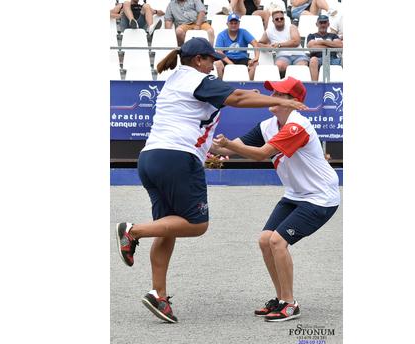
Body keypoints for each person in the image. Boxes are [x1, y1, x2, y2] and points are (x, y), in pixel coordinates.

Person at [115, 38, 308, 324]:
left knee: (167, 226)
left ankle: (159, 295)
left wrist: (253, 94)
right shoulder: (198, 79)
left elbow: (233, 96)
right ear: (198, 60)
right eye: (211, 59)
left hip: (151, 157)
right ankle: (133, 231)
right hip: (177, 158)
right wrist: (281, 100)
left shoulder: (178, 78)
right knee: (196, 224)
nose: (215, 63)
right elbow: (239, 99)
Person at [211, 76, 340, 322]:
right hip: (296, 194)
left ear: (293, 102)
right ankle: (281, 299)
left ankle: (290, 304)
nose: (273, 97)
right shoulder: (269, 125)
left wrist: (228, 145)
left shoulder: (296, 126)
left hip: (320, 197)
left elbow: (261, 155)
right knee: (264, 240)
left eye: (279, 94)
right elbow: (226, 149)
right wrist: (210, 139)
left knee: (278, 242)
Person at [257, 10, 310, 79]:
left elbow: (296, 42)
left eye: (281, 18)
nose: (279, 20)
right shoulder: (269, 31)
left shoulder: (292, 27)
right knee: (279, 66)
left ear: (284, 19)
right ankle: (283, 84)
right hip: (282, 57)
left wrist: (279, 45)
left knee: (301, 66)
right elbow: (259, 43)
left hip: (299, 55)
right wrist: (268, 46)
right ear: (273, 21)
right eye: (277, 19)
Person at [214, 13, 260, 81]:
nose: (233, 25)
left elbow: (255, 43)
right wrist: (230, 63)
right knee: (217, 63)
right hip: (227, 59)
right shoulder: (221, 35)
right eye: (231, 23)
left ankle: (250, 85)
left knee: (255, 64)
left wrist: (256, 58)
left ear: (239, 23)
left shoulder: (243, 32)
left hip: (242, 58)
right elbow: (219, 52)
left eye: (235, 23)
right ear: (227, 24)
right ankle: (221, 85)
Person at [306, 15, 343, 81]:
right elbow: (312, 48)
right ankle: (315, 85)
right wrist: (331, 45)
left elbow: (340, 45)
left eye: (325, 22)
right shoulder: (311, 35)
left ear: (328, 24)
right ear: (317, 24)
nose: (323, 25)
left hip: (333, 58)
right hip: (318, 59)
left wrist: (322, 42)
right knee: (313, 60)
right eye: (321, 23)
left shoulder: (333, 35)